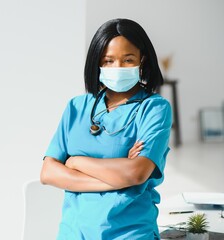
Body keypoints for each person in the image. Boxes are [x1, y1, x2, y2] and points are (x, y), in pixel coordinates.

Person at [40, 18, 172, 239]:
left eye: (128, 59)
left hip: (129, 232)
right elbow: (48, 172)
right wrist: (118, 178)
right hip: (74, 232)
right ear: (97, 63)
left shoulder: (154, 109)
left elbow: (136, 172)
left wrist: (75, 162)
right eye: (108, 61)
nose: (117, 68)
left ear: (143, 60)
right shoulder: (77, 107)